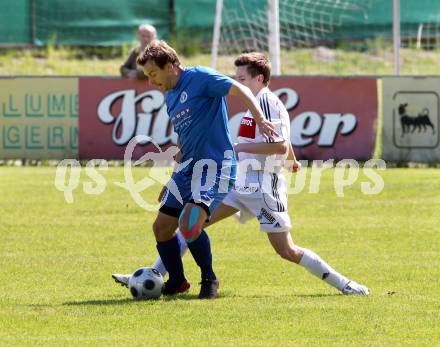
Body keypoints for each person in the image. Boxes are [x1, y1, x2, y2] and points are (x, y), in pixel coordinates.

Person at [114, 52, 369, 296]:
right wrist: (291, 161)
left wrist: (240, 148)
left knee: (287, 250)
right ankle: (154, 275)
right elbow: (283, 144)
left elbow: (278, 144)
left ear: (259, 79)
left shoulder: (267, 103)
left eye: (242, 78)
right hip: (239, 183)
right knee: (189, 225)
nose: (238, 83)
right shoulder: (254, 107)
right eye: (236, 78)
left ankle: (345, 284)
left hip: (263, 189)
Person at [113, 41, 276, 299]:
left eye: (153, 74)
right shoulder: (171, 97)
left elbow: (239, 88)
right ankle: (177, 281)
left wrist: (260, 119)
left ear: (170, 67)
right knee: (162, 228)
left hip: (216, 166)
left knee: (188, 224)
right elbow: (183, 137)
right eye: (147, 76)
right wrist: (172, 179)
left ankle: (209, 279)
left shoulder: (199, 77)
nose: (151, 82)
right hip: (188, 168)